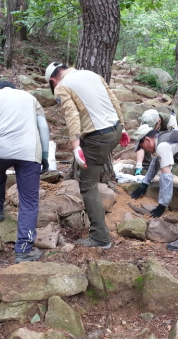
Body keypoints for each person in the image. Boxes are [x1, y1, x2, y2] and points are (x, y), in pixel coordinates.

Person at [45, 62, 130, 249]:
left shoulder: (62, 86)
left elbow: (72, 116)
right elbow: (113, 99)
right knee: (92, 175)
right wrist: (122, 127)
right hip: (114, 130)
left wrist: (75, 146)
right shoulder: (92, 74)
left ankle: (100, 237)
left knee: (87, 184)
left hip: (98, 137)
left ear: (53, 80)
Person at [0, 80, 50, 263]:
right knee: (29, 202)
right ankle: (23, 249)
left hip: (1, 150)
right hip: (29, 152)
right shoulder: (30, 98)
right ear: (14, 89)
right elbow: (43, 127)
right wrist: (44, 155)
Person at [135, 108, 178, 176]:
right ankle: (146, 165)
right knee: (146, 139)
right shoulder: (145, 122)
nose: (150, 129)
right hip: (161, 126)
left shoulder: (170, 119)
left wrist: (167, 166)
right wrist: (139, 165)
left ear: (159, 121)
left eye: (152, 127)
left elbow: (173, 142)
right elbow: (141, 143)